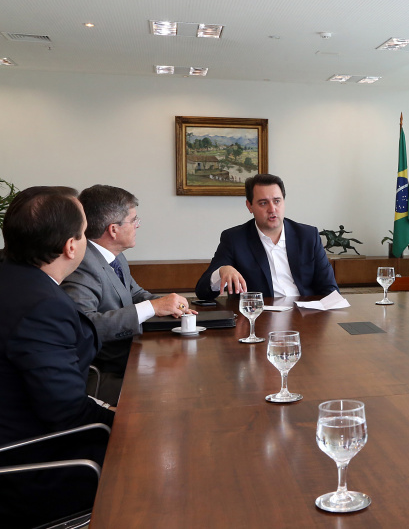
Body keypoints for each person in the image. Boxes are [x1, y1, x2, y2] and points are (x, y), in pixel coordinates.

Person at [0, 186, 115, 526]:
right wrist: (132, 424)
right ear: (70, 246)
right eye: (84, 233)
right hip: (30, 466)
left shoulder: (13, 280)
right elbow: (66, 412)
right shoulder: (42, 305)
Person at [62, 185, 192, 405]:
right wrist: (152, 307)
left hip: (133, 356)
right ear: (113, 230)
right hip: (107, 373)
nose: (137, 226)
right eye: (134, 221)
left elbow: (134, 292)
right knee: (180, 392)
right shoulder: (83, 265)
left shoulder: (114, 256)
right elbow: (86, 326)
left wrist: (168, 304)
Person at [195, 173, 339, 300]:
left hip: (305, 318)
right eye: (263, 203)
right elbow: (202, 291)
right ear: (249, 206)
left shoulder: (308, 236)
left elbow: (330, 290)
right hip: (259, 319)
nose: (272, 209)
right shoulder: (234, 239)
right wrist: (221, 271)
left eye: (277, 201)